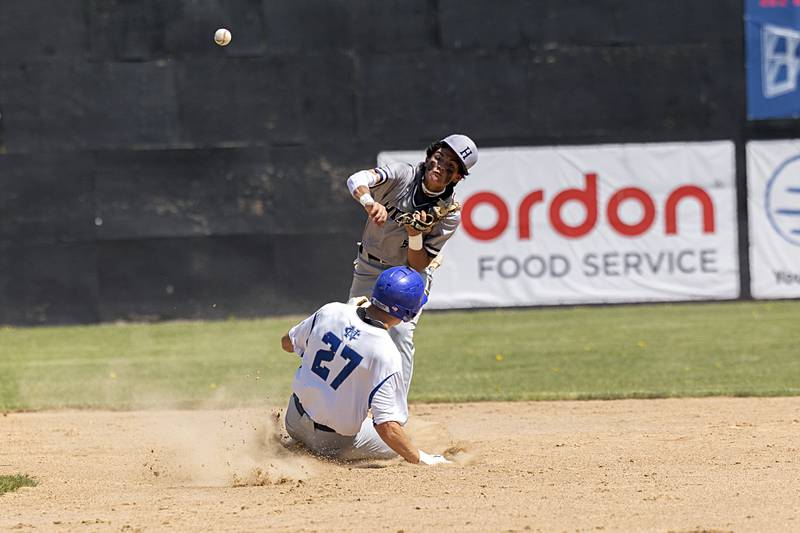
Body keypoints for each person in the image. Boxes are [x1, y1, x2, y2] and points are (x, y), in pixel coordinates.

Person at [346, 134, 478, 395]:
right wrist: (370, 202)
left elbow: (418, 265)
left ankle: (395, 408)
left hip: (408, 276)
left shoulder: (449, 213)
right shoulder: (402, 174)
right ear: (430, 155)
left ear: (457, 178)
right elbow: (356, 179)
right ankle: (345, 402)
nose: (440, 166)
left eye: (451, 166)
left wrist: (415, 234)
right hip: (369, 267)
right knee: (352, 327)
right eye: (439, 157)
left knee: (400, 334)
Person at [281, 266, 450, 465]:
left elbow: (286, 343)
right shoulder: (386, 353)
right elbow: (387, 427)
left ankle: (299, 445)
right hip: (330, 443)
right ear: (409, 313)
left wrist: (344, 318)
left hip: (293, 420)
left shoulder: (331, 311)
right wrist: (423, 459)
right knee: (402, 444)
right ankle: (319, 454)